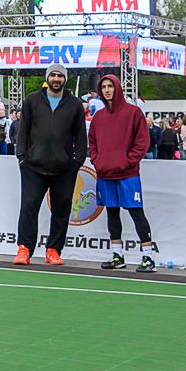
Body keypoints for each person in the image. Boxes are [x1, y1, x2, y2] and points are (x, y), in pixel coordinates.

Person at [13, 65, 87, 266]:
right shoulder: (32, 100)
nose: (56, 79)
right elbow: (23, 131)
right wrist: (21, 157)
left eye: (60, 76)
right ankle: (25, 249)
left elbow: (81, 137)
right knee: (29, 207)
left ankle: (53, 250)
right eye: (53, 75)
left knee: (61, 209)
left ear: (65, 79)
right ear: (47, 78)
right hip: (33, 166)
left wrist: (77, 162)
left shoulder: (75, 105)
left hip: (63, 169)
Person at [88, 74, 156, 272]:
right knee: (112, 213)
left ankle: (148, 258)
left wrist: (128, 161)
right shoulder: (98, 117)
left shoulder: (134, 112)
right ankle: (118, 256)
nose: (107, 90)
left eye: (110, 86)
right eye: (104, 87)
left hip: (128, 174)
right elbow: (92, 142)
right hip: (105, 174)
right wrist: (97, 161)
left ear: (117, 88)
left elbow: (142, 142)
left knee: (136, 212)